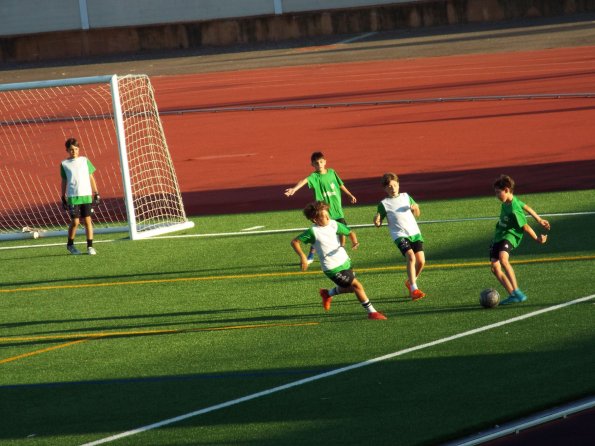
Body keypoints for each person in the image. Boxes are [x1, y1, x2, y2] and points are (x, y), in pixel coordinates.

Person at [291, 201, 387, 320]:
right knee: (357, 286)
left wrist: (354, 241)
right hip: (332, 267)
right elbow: (295, 242)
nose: (328, 218)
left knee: (352, 288)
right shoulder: (313, 232)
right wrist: (303, 257)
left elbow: (350, 232)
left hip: (345, 261)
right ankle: (372, 312)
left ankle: (327, 294)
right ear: (315, 220)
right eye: (324, 217)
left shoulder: (333, 224)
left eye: (328, 215)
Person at [285, 151, 357, 264]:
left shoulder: (332, 172)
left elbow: (340, 184)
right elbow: (304, 180)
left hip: (336, 208)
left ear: (325, 162)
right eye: (316, 163)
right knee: (318, 234)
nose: (319, 164)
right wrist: (294, 189)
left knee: (341, 230)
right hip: (323, 211)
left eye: (321, 162)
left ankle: (341, 250)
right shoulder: (314, 177)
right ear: (312, 165)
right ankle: (310, 255)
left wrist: (349, 194)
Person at [490, 174, 550, 305]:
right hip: (499, 234)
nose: (496, 195)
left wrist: (537, 239)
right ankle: (513, 295)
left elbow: (526, 227)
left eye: (498, 192)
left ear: (506, 190)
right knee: (495, 267)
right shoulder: (510, 200)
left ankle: (517, 291)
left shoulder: (513, 208)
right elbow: (526, 206)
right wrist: (539, 219)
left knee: (503, 260)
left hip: (510, 235)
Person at [374, 173, 426, 301]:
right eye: (389, 186)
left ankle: (410, 282)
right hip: (399, 235)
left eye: (395, 185)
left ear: (398, 185)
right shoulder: (384, 204)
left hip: (414, 233)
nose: (393, 188)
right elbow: (378, 223)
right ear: (385, 189)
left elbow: (417, 213)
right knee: (410, 256)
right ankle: (414, 288)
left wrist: (415, 209)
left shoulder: (406, 196)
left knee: (421, 262)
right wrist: (377, 220)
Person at [60, 137, 100, 255]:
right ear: (67, 150)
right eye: (71, 149)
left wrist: (96, 192)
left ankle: (90, 246)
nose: (74, 152)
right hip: (73, 196)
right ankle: (70, 244)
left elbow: (91, 176)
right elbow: (64, 181)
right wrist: (63, 196)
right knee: (75, 222)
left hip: (86, 195)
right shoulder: (64, 164)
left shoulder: (84, 160)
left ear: (79, 149)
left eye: (76, 149)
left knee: (88, 220)